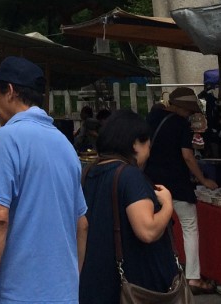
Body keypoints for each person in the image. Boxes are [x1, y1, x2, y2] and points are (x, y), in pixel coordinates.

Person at [0, 56, 87, 304]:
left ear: (11, 92)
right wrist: (72, 281)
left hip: (20, 293)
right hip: (65, 293)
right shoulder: (65, 145)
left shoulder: (7, 137)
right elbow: (82, 224)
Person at [79, 111, 180, 304]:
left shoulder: (89, 173)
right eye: (147, 144)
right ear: (135, 143)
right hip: (130, 285)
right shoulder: (130, 176)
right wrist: (167, 204)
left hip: (94, 282)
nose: (149, 151)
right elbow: (147, 231)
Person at [145, 86, 218, 293]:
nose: (188, 114)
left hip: (151, 183)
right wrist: (203, 179)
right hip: (177, 184)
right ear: (181, 108)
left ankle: (157, 273)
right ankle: (193, 277)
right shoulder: (180, 125)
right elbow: (187, 156)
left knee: (156, 229)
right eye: (188, 110)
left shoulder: (151, 119)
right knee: (189, 226)